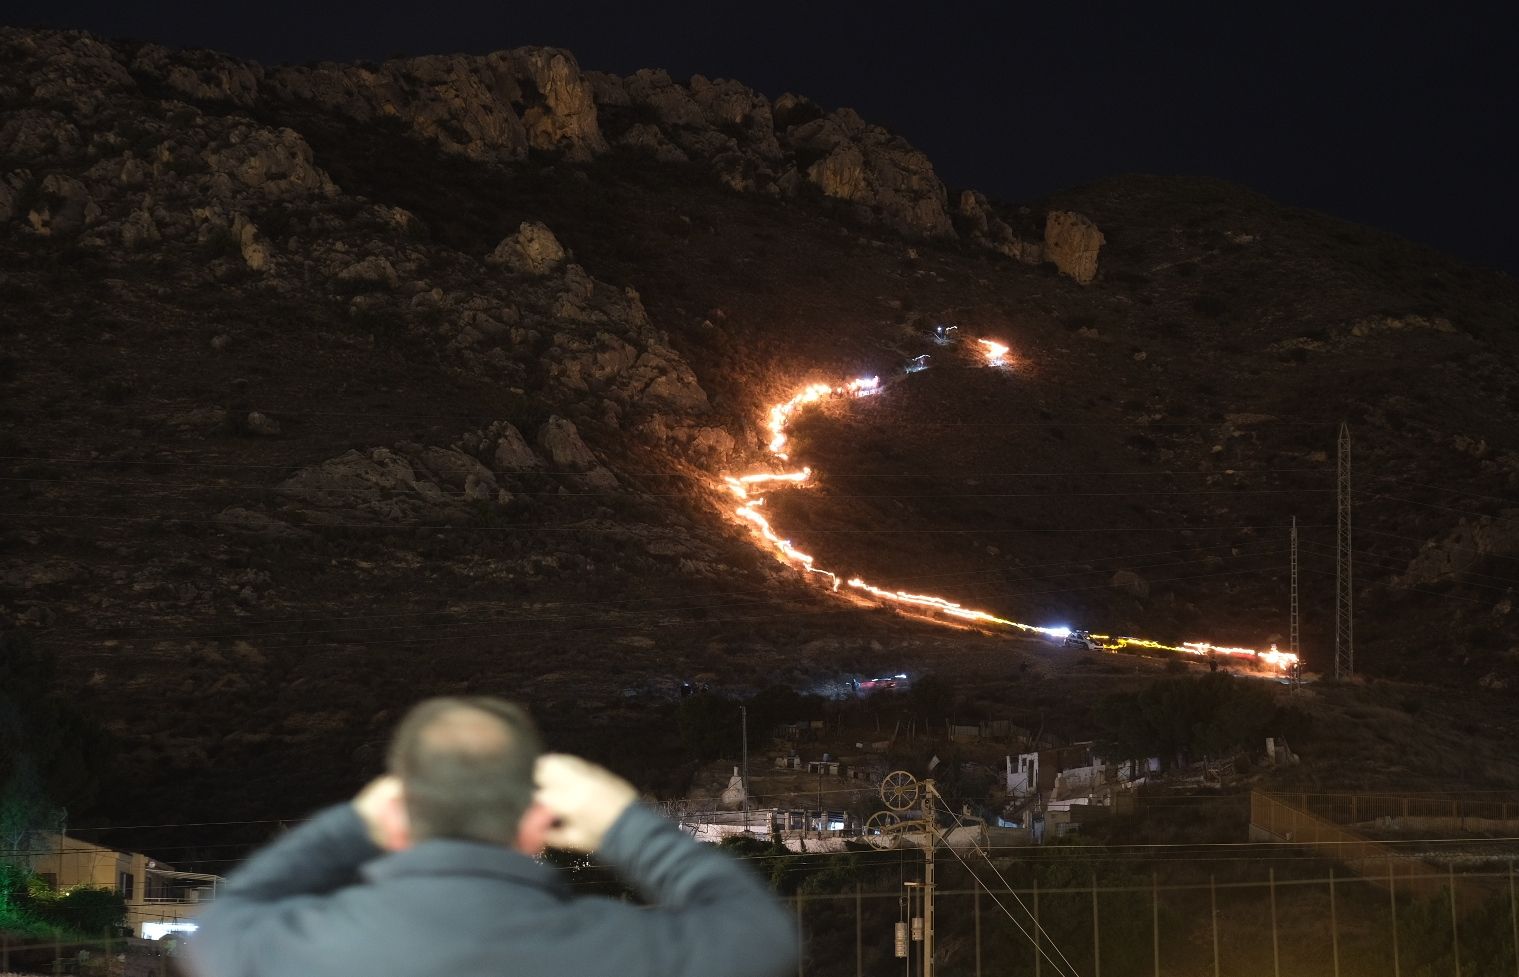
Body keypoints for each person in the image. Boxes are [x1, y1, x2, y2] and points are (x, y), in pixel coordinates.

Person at [186, 697, 798, 977]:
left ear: (397, 813)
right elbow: (761, 935)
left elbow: (217, 928)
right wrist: (620, 820)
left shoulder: (314, 946)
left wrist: (351, 824)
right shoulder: (608, 945)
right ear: (537, 817)